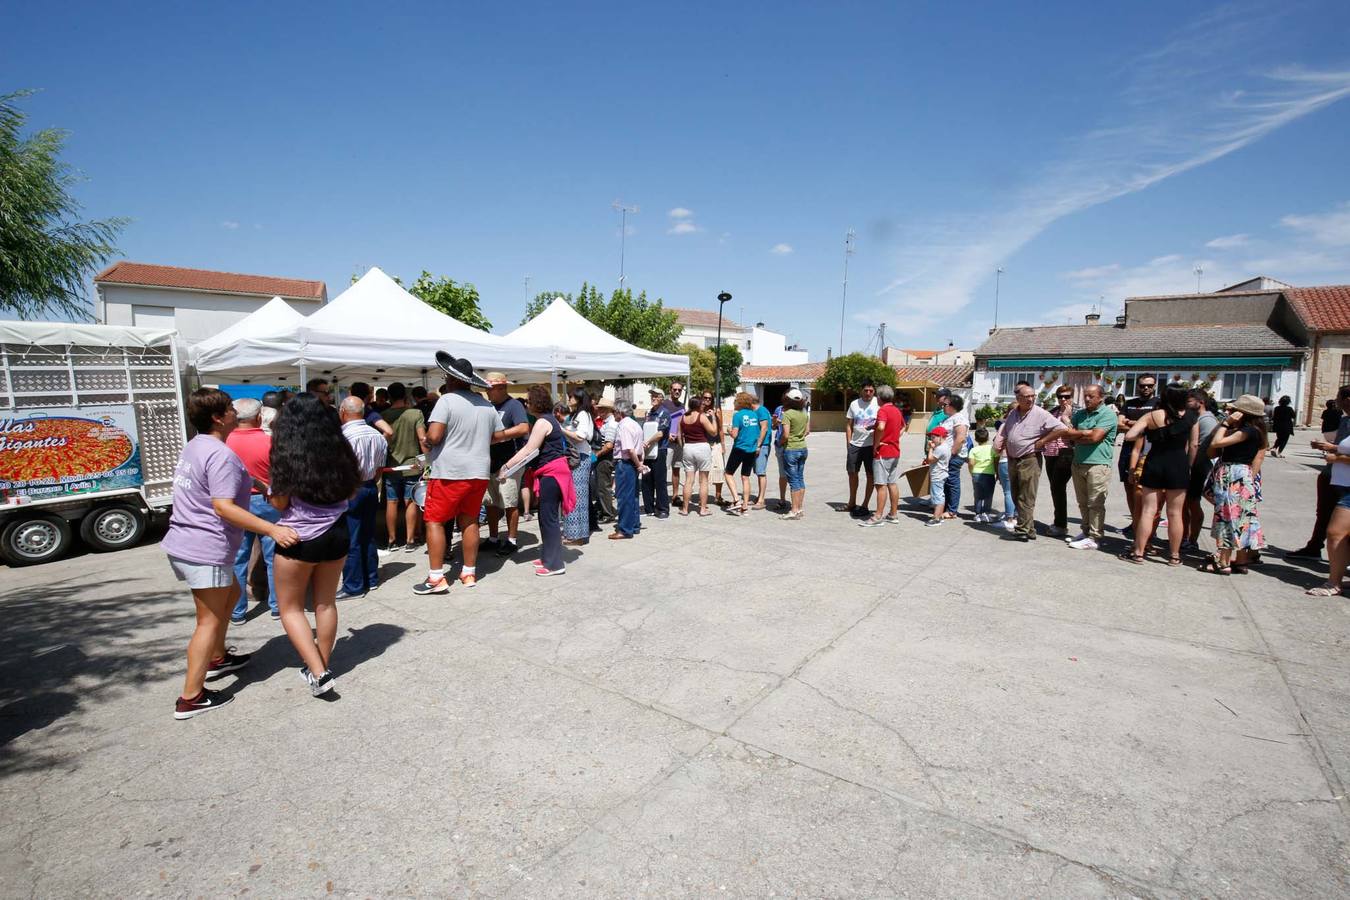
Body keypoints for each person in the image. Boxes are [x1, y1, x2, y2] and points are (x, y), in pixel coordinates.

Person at [165, 389, 299, 719]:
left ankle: (218, 656)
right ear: (218, 418)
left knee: (234, 591)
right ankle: (191, 696)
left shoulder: (199, 446)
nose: (233, 413)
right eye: (228, 409)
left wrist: (258, 482)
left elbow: (233, 474)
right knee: (207, 621)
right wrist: (272, 529)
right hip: (204, 546)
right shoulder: (219, 453)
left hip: (187, 541)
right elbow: (223, 506)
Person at [267, 394, 361, 697]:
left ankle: (319, 673)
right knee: (326, 602)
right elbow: (352, 489)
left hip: (299, 538)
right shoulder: (341, 449)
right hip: (338, 532)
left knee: (290, 608)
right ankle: (321, 663)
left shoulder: (284, 453)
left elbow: (279, 502)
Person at [414, 357, 507, 594]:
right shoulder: (486, 405)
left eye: (446, 377)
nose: (445, 380)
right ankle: (468, 572)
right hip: (478, 471)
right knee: (470, 520)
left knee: (434, 520)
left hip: (450, 472)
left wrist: (426, 437)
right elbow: (497, 435)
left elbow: (434, 436)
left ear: (454, 379)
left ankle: (436, 577)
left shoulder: (447, 400)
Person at [499, 385, 572, 576]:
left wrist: (506, 466)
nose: (526, 404)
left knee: (549, 519)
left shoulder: (542, 422)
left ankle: (555, 564)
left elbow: (528, 449)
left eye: (529, 401)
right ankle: (549, 557)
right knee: (545, 518)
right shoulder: (547, 420)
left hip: (552, 474)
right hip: (551, 473)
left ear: (536, 403)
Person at [1120, 383, 1197, 565]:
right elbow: (1193, 445)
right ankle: (1175, 556)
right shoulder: (1192, 417)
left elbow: (1130, 435)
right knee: (1175, 513)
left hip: (1155, 463)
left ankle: (1138, 552)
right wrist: (1189, 466)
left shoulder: (1153, 415)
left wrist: (1147, 428)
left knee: (1148, 511)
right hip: (1178, 464)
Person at [1037, 384, 1116, 550]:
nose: (1087, 399)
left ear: (1100, 397)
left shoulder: (1107, 414)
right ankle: (1086, 532)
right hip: (1078, 462)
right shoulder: (1080, 414)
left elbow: (1095, 437)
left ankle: (1094, 536)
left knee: (1095, 502)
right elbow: (1067, 435)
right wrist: (1083, 433)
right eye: (1085, 396)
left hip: (1098, 463)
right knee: (1082, 502)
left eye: (1091, 396)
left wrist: (1076, 431)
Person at [225, 398, 281, 623]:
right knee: (274, 557)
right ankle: (277, 606)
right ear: (259, 417)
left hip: (235, 504)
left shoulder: (225, 441)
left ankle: (237, 611)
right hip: (267, 502)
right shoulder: (269, 443)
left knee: (238, 559)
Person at [1202, 395, 1268, 574]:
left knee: (1228, 515)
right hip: (1242, 474)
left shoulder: (1247, 431)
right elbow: (1211, 451)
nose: (1229, 413)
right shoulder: (1257, 430)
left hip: (1233, 474)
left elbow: (1216, 443)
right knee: (1243, 517)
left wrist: (1224, 424)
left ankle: (1223, 561)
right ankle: (1241, 561)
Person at [994, 383, 1065, 541]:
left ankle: (1022, 530)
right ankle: (1030, 528)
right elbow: (1006, 431)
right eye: (1027, 396)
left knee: (1026, 496)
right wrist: (1000, 443)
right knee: (1016, 494)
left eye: (1033, 396)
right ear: (1018, 398)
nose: (1031, 399)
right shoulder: (1013, 412)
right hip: (1013, 459)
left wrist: (1042, 441)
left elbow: (1061, 428)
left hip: (1029, 459)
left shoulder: (1040, 413)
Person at [1288, 386, 1350, 560]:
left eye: (1339, 396)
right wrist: (1328, 448)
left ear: (1347, 399)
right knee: (1323, 512)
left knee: (1341, 520)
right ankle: (1314, 546)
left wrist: (1333, 449)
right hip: (1332, 473)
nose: (1336, 399)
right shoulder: (1345, 421)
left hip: (1345, 478)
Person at [337, 397, 388, 599]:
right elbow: (379, 468)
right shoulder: (377, 435)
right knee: (368, 535)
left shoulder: (343, 436)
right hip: (369, 487)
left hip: (351, 489)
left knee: (351, 539)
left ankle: (353, 585)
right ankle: (371, 578)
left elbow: (340, 470)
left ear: (343, 411)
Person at [482, 373, 530, 557]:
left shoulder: (514, 405)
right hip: (490, 462)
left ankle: (511, 540)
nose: (487, 391)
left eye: (490, 388)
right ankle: (493, 538)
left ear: (501, 388)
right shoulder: (488, 406)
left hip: (509, 463)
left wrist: (498, 437)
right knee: (491, 503)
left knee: (509, 502)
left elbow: (523, 427)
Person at [380, 383, 427, 554]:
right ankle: (410, 540)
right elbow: (422, 438)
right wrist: (428, 462)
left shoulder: (383, 415)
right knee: (411, 501)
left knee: (391, 502)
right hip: (412, 464)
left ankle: (391, 540)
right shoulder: (415, 413)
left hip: (391, 465)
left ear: (389, 397)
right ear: (406, 396)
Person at [1307, 420, 1350, 596]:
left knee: (1335, 533)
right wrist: (1332, 448)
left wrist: (1337, 457)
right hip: (1343, 486)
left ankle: (1334, 583)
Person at [1117, 376, 1158, 538]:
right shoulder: (1129, 403)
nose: (1146, 388)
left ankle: (1147, 527)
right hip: (1128, 450)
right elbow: (1119, 424)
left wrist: (1131, 423)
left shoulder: (1158, 404)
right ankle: (1135, 523)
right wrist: (1142, 424)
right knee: (1129, 487)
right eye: (1142, 386)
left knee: (1144, 491)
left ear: (1154, 386)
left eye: (1149, 385)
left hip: (1148, 451)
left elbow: (1155, 425)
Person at [1183, 390, 1219, 553]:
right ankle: (1187, 537)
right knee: (1187, 504)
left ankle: (1192, 539)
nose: (1186, 404)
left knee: (1193, 502)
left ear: (1200, 402)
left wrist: (1189, 467)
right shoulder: (1198, 418)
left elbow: (1200, 446)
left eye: (1189, 401)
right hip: (1196, 465)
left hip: (1200, 466)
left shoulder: (1207, 420)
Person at [861, 385, 902, 526]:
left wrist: (877, 444)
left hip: (883, 453)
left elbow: (881, 427)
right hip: (895, 451)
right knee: (892, 482)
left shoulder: (882, 410)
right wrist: (894, 438)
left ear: (879, 397)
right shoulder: (896, 410)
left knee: (880, 485)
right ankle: (893, 514)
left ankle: (878, 516)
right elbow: (902, 426)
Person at [561, 388, 596, 545]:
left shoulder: (582, 415)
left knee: (578, 497)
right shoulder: (575, 415)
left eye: (571, 397)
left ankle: (579, 535)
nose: (568, 399)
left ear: (579, 398)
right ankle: (573, 533)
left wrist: (561, 430)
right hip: (575, 457)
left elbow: (581, 436)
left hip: (580, 458)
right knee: (573, 495)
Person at [1040, 388, 1075, 536]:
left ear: (1072, 397)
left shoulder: (1077, 413)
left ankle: (1061, 524)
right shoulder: (1052, 412)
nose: (1063, 400)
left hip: (1066, 452)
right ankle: (1059, 522)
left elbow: (1075, 433)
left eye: (1067, 396)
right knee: (1055, 488)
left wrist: (1067, 419)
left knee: (1058, 486)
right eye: (1060, 397)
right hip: (1050, 453)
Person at [610, 400, 647, 539]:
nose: (613, 414)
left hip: (625, 463)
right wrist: (640, 463)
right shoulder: (635, 424)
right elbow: (640, 448)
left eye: (614, 411)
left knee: (624, 497)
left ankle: (625, 529)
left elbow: (630, 449)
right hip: (632, 463)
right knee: (633, 497)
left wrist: (638, 465)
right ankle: (634, 525)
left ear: (620, 412)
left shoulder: (624, 426)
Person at [678, 392, 717, 516]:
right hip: (702, 447)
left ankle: (685, 509)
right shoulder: (701, 416)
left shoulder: (683, 417)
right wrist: (714, 418)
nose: (703, 405)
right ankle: (703, 509)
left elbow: (679, 435)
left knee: (688, 480)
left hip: (688, 447)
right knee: (703, 480)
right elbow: (713, 432)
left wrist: (683, 446)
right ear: (697, 405)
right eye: (701, 403)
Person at [722, 392, 761, 514]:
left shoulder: (738, 415)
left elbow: (734, 434)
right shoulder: (754, 415)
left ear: (740, 402)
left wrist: (728, 430)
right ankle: (744, 506)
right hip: (751, 449)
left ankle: (736, 500)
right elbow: (757, 432)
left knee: (728, 473)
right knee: (745, 477)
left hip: (739, 448)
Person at [844, 381, 879, 517]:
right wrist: (848, 442)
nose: (868, 393)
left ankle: (865, 504)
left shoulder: (878, 403)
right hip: (855, 444)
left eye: (871, 390)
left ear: (874, 391)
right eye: (866, 390)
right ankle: (852, 502)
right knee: (852, 473)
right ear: (861, 390)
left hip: (871, 445)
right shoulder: (854, 404)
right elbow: (849, 424)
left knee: (870, 475)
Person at [641, 388, 672, 517]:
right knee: (646, 480)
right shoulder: (649, 413)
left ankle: (663, 508)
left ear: (662, 398)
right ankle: (649, 508)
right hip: (647, 451)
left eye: (656, 396)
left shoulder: (664, 413)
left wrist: (648, 442)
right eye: (652, 396)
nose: (653, 398)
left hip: (659, 450)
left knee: (660, 480)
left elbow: (660, 433)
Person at [779, 388, 810, 520]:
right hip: (803, 448)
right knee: (800, 478)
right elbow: (807, 431)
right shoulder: (804, 414)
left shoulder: (787, 414)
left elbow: (785, 435)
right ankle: (800, 507)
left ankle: (794, 509)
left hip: (791, 448)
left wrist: (781, 442)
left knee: (793, 480)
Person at [939, 394, 970, 519]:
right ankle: (946, 507)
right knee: (946, 481)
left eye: (945, 405)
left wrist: (952, 453)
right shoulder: (949, 418)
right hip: (946, 456)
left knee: (952, 481)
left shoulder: (959, 419)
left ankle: (952, 510)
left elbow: (960, 437)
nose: (943, 407)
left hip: (954, 456)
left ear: (953, 406)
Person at [593, 393, 619, 524]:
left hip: (605, 458)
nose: (600, 411)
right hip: (603, 458)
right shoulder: (607, 422)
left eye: (603, 409)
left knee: (604, 487)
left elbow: (609, 445)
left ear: (609, 410)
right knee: (601, 486)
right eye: (599, 408)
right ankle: (604, 511)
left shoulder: (611, 424)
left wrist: (596, 454)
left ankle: (607, 513)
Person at [922, 426, 951, 526]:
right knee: (939, 496)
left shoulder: (940, 448)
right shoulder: (945, 446)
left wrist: (930, 448)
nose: (932, 439)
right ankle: (939, 516)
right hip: (941, 474)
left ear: (941, 437)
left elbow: (930, 459)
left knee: (937, 497)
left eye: (934, 437)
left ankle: (936, 517)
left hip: (938, 475)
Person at [968, 428, 998, 523]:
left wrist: (972, 472)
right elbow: (996, 462)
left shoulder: (973, 450)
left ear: (976, 439)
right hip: (989, 474)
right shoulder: (992, 449)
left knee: (978, 495)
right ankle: (986, 513)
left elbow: (971, 463)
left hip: (977, 474)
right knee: (988, 495)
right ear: (988, 438)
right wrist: (997, 473)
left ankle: (978, 514)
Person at [665, 381, 686, 506]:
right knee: (663, 470)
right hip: (666, 443)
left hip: (678, 443)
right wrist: (667, 435)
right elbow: (659, 423)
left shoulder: (682, 406)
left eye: (679, 390)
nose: (677, 392)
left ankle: (675, 496)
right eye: (675, 389)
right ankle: (661, 496)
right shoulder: (664, 404)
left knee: (676, 469)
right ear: (670, 390)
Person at [751, 395, 773, 509]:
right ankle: (759, 497)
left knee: (761, 472)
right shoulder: (756, 411)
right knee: (758, 472)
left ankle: (761, 500)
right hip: (757, 445)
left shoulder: (762, 411)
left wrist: (759, 445)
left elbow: (764, 428)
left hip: (762, 445)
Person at [772, 399, 789, 509]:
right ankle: (782, 499)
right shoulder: (779, 409)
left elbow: (806, 431)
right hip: (780, 445)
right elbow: (773, 427)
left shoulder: (797, 411)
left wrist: (781, 441)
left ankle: (796, 505)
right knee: (782, 474)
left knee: (793, 475)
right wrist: (775, 422)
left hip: (789, 445)